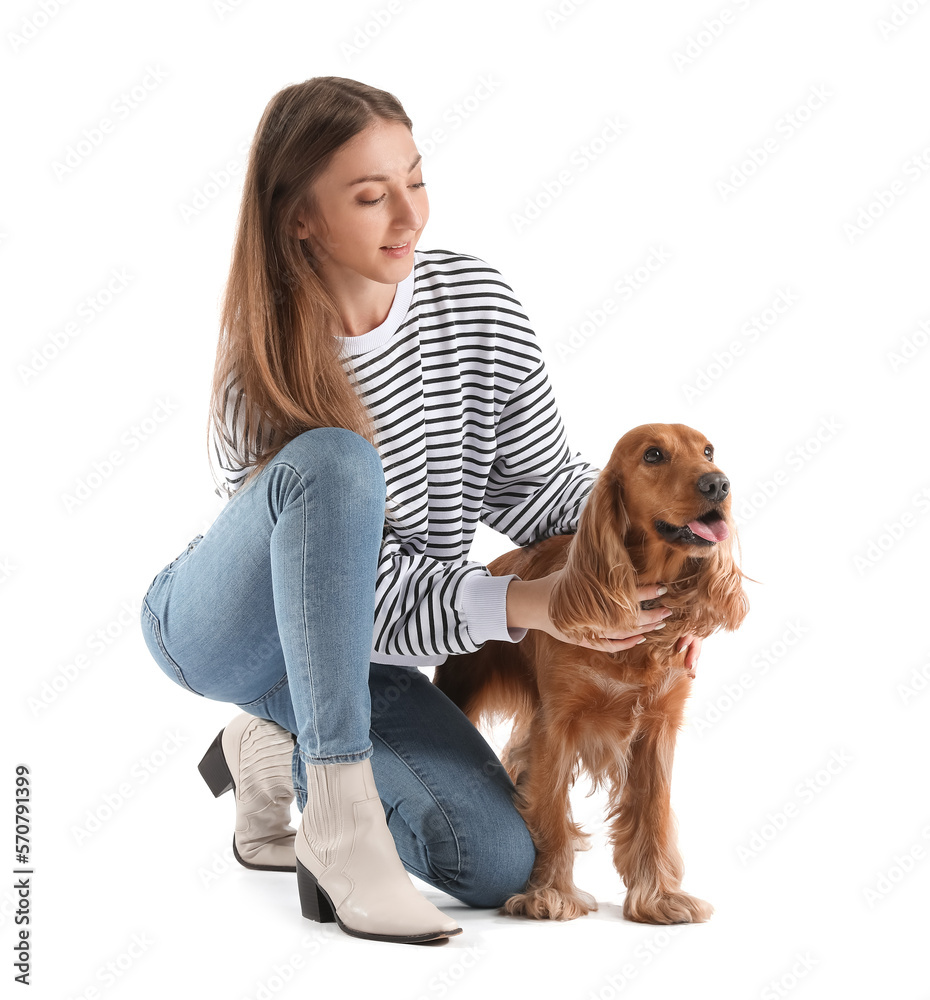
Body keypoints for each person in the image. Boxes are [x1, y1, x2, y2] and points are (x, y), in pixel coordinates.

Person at [139, 76, 694, 946]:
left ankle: (268, 746)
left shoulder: (475, 304)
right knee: (334, 460)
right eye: (370, 196)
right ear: (300, 220)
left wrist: (661, 561)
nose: (410, 216)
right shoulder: (267, 366)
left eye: (416, 179)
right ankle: (338, 815)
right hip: (230, 629)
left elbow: (546, 489)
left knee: (498, 864)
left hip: (359, 660)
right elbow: (350, 597)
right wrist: (524, 603)